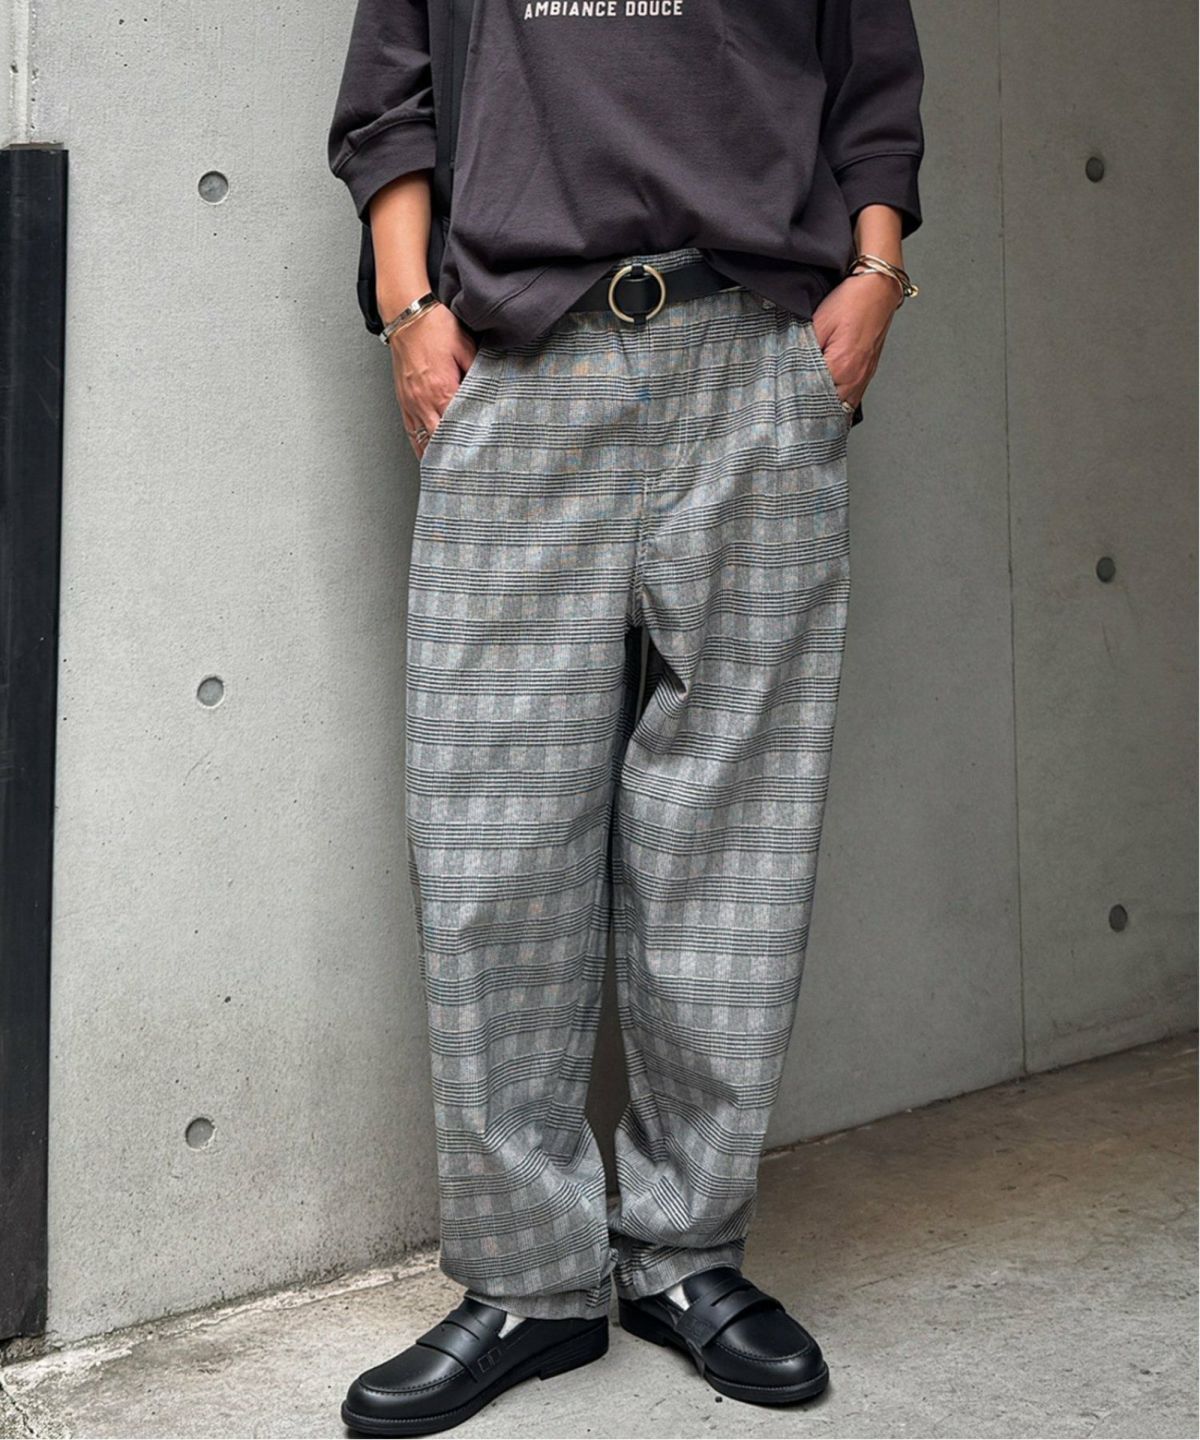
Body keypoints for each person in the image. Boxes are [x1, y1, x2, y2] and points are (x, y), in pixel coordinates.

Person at [327, 1, 924, 1431]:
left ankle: (687, 1252)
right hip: (522, 353)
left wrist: (876, 279)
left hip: (755, 350)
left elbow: (875, 83)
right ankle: (528, 1282)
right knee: (492, 840)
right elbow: (388, 103)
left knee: (733, 830)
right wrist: (411, 314)